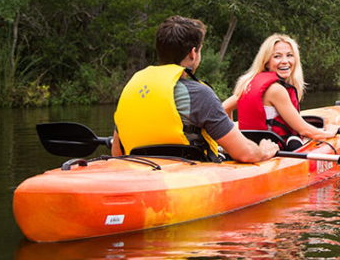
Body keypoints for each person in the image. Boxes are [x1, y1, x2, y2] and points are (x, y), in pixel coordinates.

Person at [111, 15, 278, 163]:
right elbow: (246, 154)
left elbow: (117, 153)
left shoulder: (133, 87)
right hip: (187, 180)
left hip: (137, 172)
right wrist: (263, 151)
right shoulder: (199, 94)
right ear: (193, 53)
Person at [222, 33, 337, 150]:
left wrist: (234, 138)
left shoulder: (248, 84)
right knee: (296, 141)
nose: (285, 61)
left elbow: (223, 109)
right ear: (266, 61)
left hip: (251, 148)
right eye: (277, 56)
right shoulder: (277, 90)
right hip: (272, 151)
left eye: (289, 55)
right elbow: (303, 129)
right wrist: (329, 133)